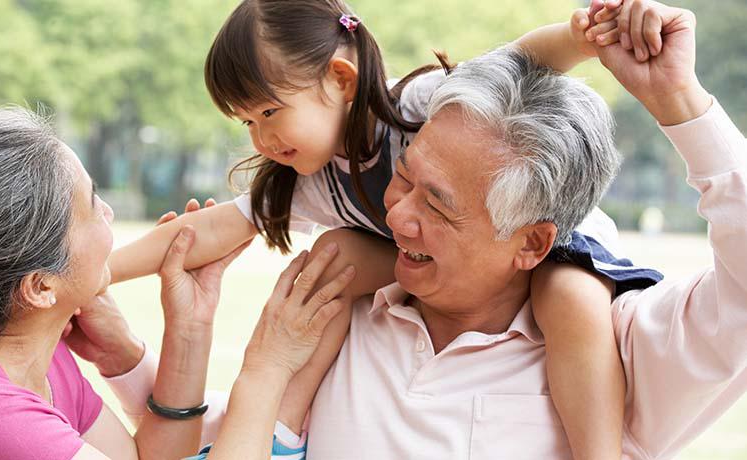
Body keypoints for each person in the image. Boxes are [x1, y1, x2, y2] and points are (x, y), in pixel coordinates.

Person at [93, 1, 747, 458]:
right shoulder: (337, 284)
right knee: (335, 254)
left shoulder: (624, 350)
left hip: (574, 270)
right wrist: (109, 313)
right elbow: (235, 436)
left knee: (571, 297)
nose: (400, 215)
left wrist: (659, 88)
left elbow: (525, 57)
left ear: (531, 241)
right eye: (404, 179)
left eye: (438, 204)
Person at [0, 107, 354, 460]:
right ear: (39, 287)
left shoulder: (30, 356)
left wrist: (188, 328)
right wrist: (267, 368)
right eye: (92, 203)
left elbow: (147, 458)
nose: (109, 213)